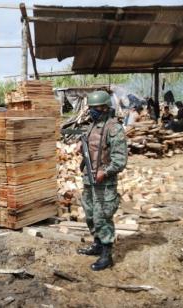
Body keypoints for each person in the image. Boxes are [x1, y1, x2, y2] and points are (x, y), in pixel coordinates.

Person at [77, 91, 128, 271]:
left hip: (104, 182)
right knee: (90, 214)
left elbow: (120, 160)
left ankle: (106, 254)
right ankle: (97, 244)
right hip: (89, 179)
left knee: (102, 217)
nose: (92, 111)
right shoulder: (92, 126)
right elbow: (91, 148)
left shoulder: (114, 128)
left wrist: (105, 172)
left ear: (106, 108)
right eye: (91, 108)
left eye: (96, 108)